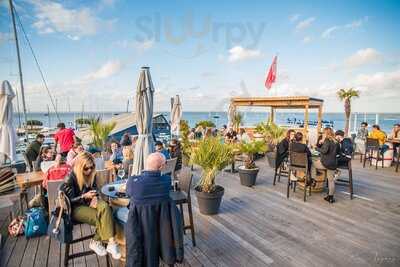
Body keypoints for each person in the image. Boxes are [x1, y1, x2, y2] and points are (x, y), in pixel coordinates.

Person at [125, 152, 183, 266]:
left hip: (139, 225)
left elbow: (128, 193)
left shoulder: (132, 181)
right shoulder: (166, 181)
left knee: (119, 212)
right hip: (162, 225)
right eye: (165, 164)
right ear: (161, 167)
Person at [62, 152, 121, 259]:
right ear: (80, 166)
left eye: (91, 167)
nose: (89, 170)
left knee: (106, 207)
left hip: (88, 202)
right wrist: (84, 196)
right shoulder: (70, 178)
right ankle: (97, 241)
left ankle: (111, 243)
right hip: (74, 208)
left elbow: (94, 189)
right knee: (106, 216)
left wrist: (95, 196)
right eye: (86, 168)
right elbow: (68, 201)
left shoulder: (91, 175)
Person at [315, 127, 340, 203]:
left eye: (323, 133)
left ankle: (313, 179)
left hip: (325, 163)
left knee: (312, 162)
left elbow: (324, 151)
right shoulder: (336, 141)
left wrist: (316, 148)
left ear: (326, 133)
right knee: (331, 181)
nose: (322, 134)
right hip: (333, 164)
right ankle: (331, 197)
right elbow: (338, 152)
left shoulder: (326, 140)